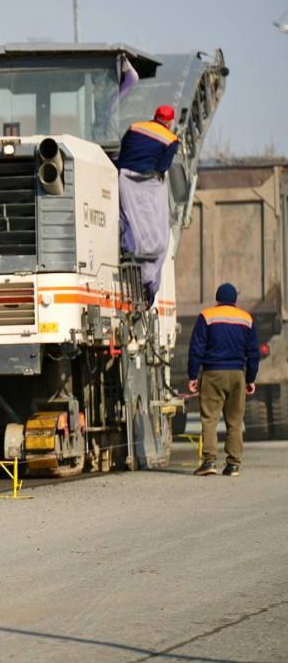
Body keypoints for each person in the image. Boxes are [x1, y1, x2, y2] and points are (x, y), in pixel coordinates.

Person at [187, 283, 260, 476]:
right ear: (235, 299)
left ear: (218, 298)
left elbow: (196, 347)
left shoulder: (207, 316)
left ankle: (209, 461)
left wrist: (192, 375)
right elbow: (253, 352)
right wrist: (250, 378)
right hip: (237, 375)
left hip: (212, 374)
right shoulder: (247, 319)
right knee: (235, 421)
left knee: (209, 419)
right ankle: (233, 464)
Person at [117, 104, 181, 306]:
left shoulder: (134, 127)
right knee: (158, 232)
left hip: (124, 178)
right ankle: (149, 280)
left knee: (128, 217)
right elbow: (163, 166)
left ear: (154, 116)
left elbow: (124, 150)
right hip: (149, 183)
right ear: (170, 122)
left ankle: (128, 249)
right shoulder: (171, 139)